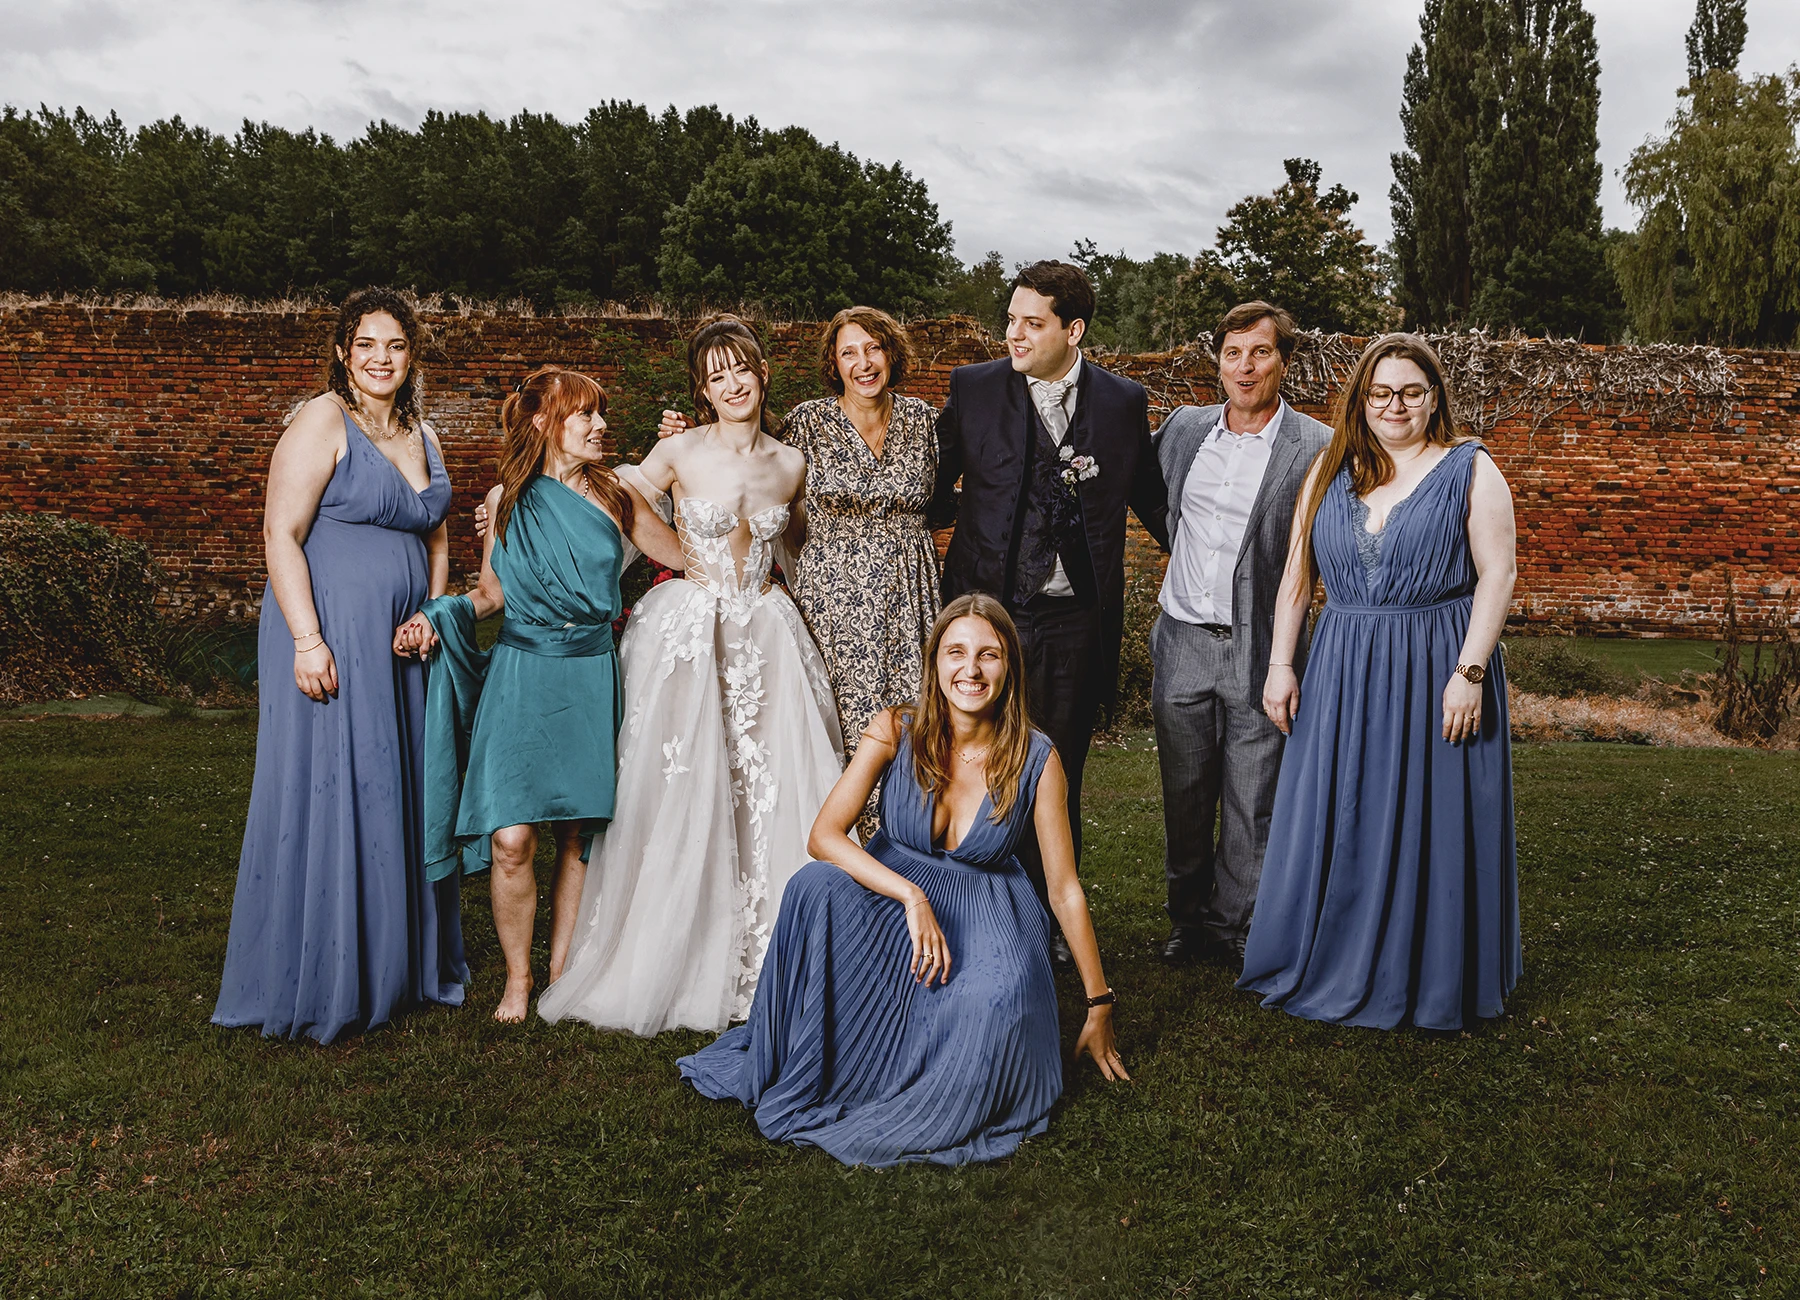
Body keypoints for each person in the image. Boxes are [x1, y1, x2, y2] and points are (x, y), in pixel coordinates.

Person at [678, 593, 1126, 1168]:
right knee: (813, 886)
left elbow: (1064, 889)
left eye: (988, 655)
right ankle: (843, 1052)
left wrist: (1099, 1002)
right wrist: (910, 894)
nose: (971, 669)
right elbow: (825, 836)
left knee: (994, 999)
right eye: (956, 652)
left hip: (987, 905)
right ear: (934, 661)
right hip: (893, 892)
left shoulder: (1037, 758)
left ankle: (930, 1077)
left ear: (1009, 665)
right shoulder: (896, 728)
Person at [536, 315, 845, 1036]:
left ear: (762, 372)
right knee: (681, 786)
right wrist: (516, 508)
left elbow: (796, 552)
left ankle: (770, 952)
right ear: (702, 391)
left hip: (765, 632)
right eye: (715, 375)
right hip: (689, 629)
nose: (731, 384)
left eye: (740, 369)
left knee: (768, 788)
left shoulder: (791, 464)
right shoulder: (677, 449)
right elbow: (605, 496)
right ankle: (670, 949)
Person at [1239, 333, 1521, 1030]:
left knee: (1435, 817)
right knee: (1343, 809)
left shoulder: (1469, 467)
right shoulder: (1329, 472)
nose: (1395, 405)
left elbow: (1499, 576)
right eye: (1381, 392)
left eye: (1411, 391)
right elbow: (1297, 581)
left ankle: (1427, 969)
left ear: (1434, 399)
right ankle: (1331, 951)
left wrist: (1470, 672)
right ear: (1361, 400)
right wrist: (1280, 665)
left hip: (1438, 666)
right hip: (1342, 668)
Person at [214, 287, 465, 1044]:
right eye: (366, 346)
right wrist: (307, 638)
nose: (381, 359)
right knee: (337, 789)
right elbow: (279, 533)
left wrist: (432, 611)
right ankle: (327, 973)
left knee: (401, 790)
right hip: (332, 634)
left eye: (394, 345)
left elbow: (438, 540)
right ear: (342, 353)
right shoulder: (322, 419)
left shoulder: (423, 432)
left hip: (403, 642)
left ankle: (399, 965)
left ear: (411, 354)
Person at [395, 365, 683, 1023]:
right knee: (512, 838)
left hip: (588, 671)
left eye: (599, 414)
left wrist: (687, 476)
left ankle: (561, 974)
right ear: (542, 422)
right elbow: (492, 594)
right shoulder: (505, 500)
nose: (599, 425)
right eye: (584, 414)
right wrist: (437, 614)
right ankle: (518, 982)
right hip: (521, 674)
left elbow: (691, 558)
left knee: (577, 832)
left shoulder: (619, 496)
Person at [929, 260, 1168, 960]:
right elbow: (933, 489)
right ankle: (965, 910)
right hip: (987, 624)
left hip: (1073, 622)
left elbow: (1152, 499)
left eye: (1032, 323)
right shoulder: (973, 389)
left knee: (1057, 772)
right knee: (971, 765)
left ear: (1074, 329)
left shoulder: (1123, 402)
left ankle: (1046, 923)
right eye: (1010, 319)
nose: (1013, 333)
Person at [656, 307, 939, 767]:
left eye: (873, 348)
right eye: (849, 352)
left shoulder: (925, 422)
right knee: (845, 725)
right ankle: (848, 834)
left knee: (916, 718)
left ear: (891, 354)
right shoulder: (807, 422)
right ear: (834, 364)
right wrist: (687, 432)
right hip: (834, 596)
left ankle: (906, 832)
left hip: (912, 593)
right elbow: (744, 454)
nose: (863, 363)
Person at [1152, 303, 1331, 971]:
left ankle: (1236, 927)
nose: (1245, 366)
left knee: (1253, 797)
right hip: (1183, 641)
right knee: (1185, 791)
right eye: (1233, 353)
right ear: (1218, 360)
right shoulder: (1183, 429)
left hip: (1262, 645)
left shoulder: (1315, 444)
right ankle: (1187, 919)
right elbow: (1154, 500)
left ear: (1284, 361)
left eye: (1260, 353)